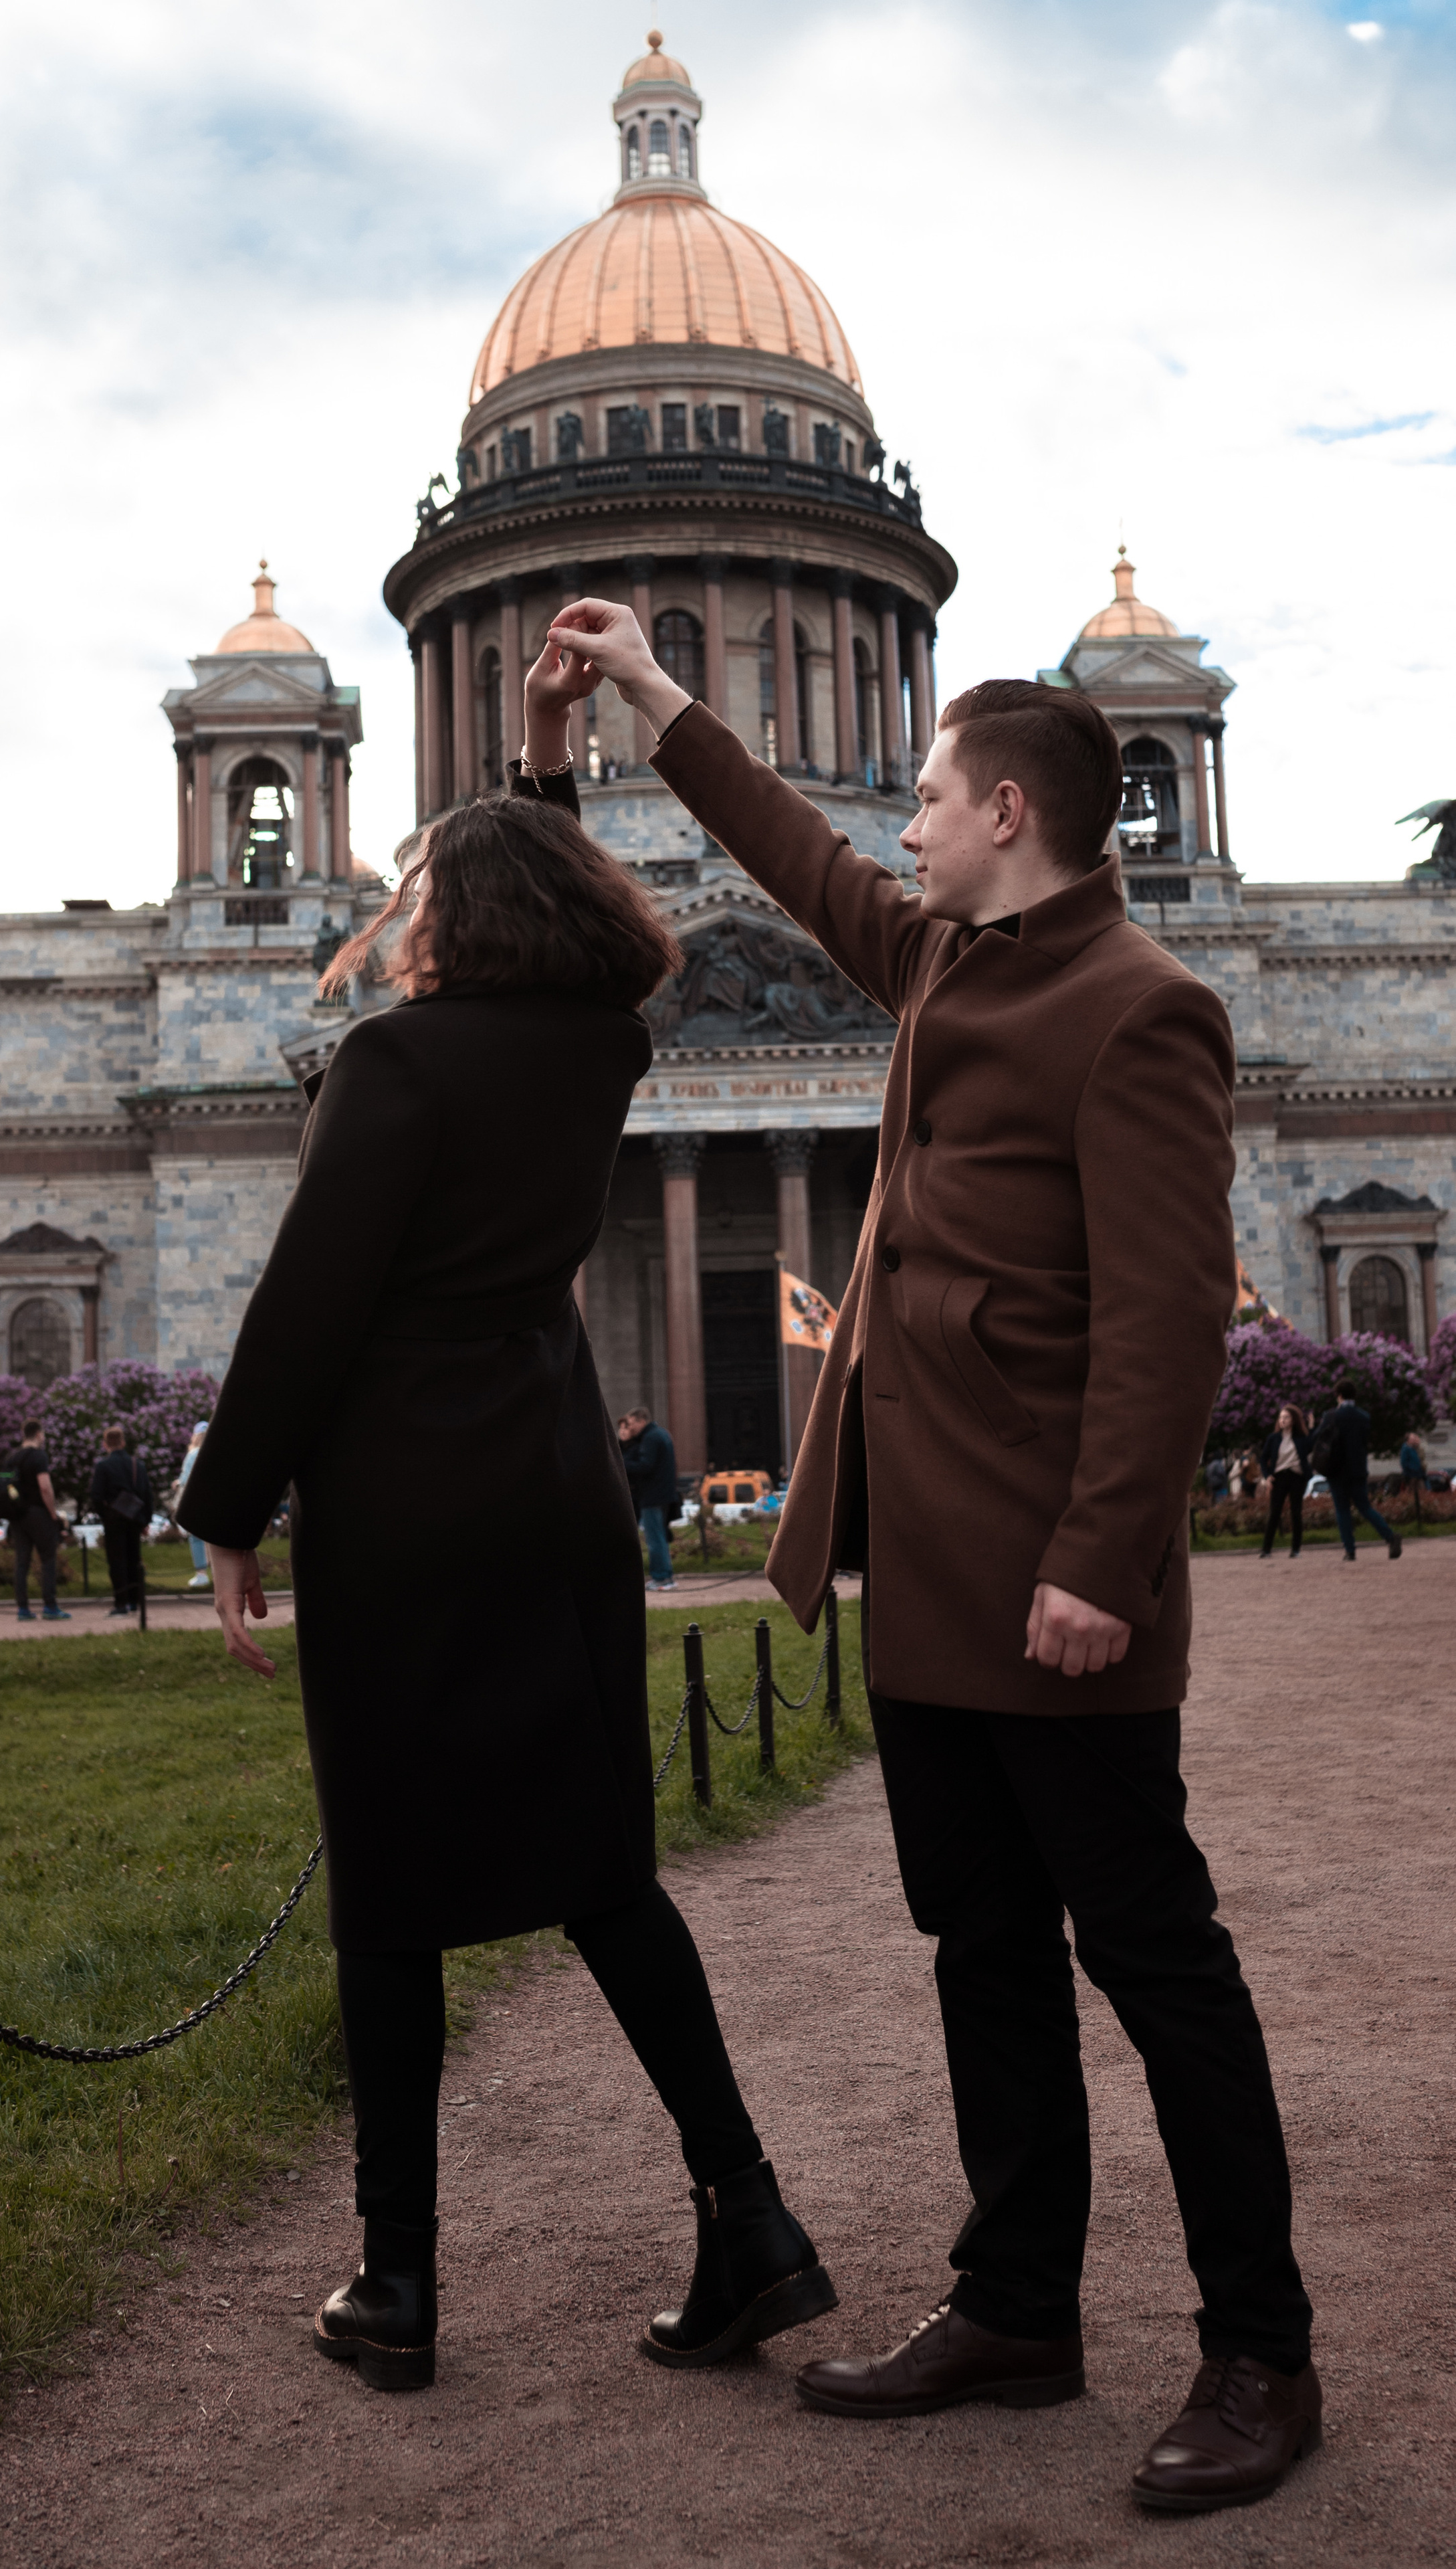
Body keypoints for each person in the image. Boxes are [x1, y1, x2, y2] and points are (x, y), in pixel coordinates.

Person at [548, 598, 1319, 2513]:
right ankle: (1018, 2304)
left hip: (1059, 1592)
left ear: (1004, 811)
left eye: (922, 799)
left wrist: (1103, 1559)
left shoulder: (1143, 1002)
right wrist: (656, 699)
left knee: (1156, 1960)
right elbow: (796, 858)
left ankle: (1262, 2354)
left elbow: (1167, 1323)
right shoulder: (944, 966)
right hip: (936, 1579)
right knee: (983, 1950)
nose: (894, 824)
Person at [180, 634, 837, 2395]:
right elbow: (550, 891)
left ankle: (399, 2285)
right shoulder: (601, 1046)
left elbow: (304, 1311)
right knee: (606, 1876)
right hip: (551, 1496)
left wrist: (227, 1511)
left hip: (409, 1510)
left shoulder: (394, 1070)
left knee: (392, 1894)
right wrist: (547, 752)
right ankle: (751, 2215)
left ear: (446, 924)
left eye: (421, 899)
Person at [1313, 1382, 1401, 1561]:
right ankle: (1390, 1537)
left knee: (1342, 1510)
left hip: (1336, 1470)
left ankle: (1350, 1550)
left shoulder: (1331, 1416)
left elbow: (1318, 1438)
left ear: (1339, 1395)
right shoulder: (1364, 1417)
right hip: (1358, 1469)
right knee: (1365, 1508)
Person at [88, 1424, 150, 1616]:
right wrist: (145, 1520)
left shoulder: (103, 1466)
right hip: (134, 1519)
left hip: (114, 1521)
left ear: (105, 1444)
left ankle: (121, 1603)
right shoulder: (137, 1465)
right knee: (134, 1559)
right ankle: (135, 1601)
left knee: (117, 1562)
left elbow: (96, 1496)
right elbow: (147, 1494)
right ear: (123, 1442)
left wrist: (106, 1515)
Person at [9, 1421, 70, 1622]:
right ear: (37, 1434)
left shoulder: (11, 1457)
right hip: (38, 1513)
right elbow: (45, 1487)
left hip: (17, 1515)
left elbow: (5, 1484)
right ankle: (50, 1606)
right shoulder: (38, 1456)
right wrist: (53, 1514)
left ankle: (23, 1609)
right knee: (48, 1560)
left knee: (22, 1562)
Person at [620, 1405, 679, 1590]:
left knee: (654, 1540)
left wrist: (621, 1463)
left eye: (631, 1424)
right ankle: (666, 1577)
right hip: (662, 1494)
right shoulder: (660, 1434)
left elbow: (646, 1466)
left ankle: (661, 1578)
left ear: (640, 1420)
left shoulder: (650, 1437)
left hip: (653, 1495)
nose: (630, 1428)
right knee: (659, 1538)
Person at [1257, 1405, 1310, 1557]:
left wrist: (1311, 1428)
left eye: (1286, 1417)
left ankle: (1296, 1550)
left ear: (1293, 1420)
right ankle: (1266, 1550)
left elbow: (1311, 1447)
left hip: (1296, 1478)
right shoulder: (1273, 1438)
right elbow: (1263, 1459)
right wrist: (1267, 1476)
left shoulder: (1301, 1438)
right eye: (1281, 1417)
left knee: (1296, 1513)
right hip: (1279, 1478)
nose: (1283, 1420)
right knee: (1274, 1513)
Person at [171, 1420, 212, 1587]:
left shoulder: (193, 1453)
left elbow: (186, 1480)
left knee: (196, 1538)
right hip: (211, 1500)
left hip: (195, 1501)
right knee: (213, 1539)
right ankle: (217, 1574)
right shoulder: (213, 1451)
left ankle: (201, 1574)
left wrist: (177, 1484)